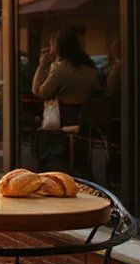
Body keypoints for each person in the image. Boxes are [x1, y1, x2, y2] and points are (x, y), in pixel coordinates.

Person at [31, 27, 101, 172]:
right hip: (87, 121)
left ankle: (45, 166)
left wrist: (42, 65)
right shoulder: (90, 67)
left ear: (58, 47)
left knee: (39, 131)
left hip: (65, 120)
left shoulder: (60, 69)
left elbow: (39, 92)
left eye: (52, 45)